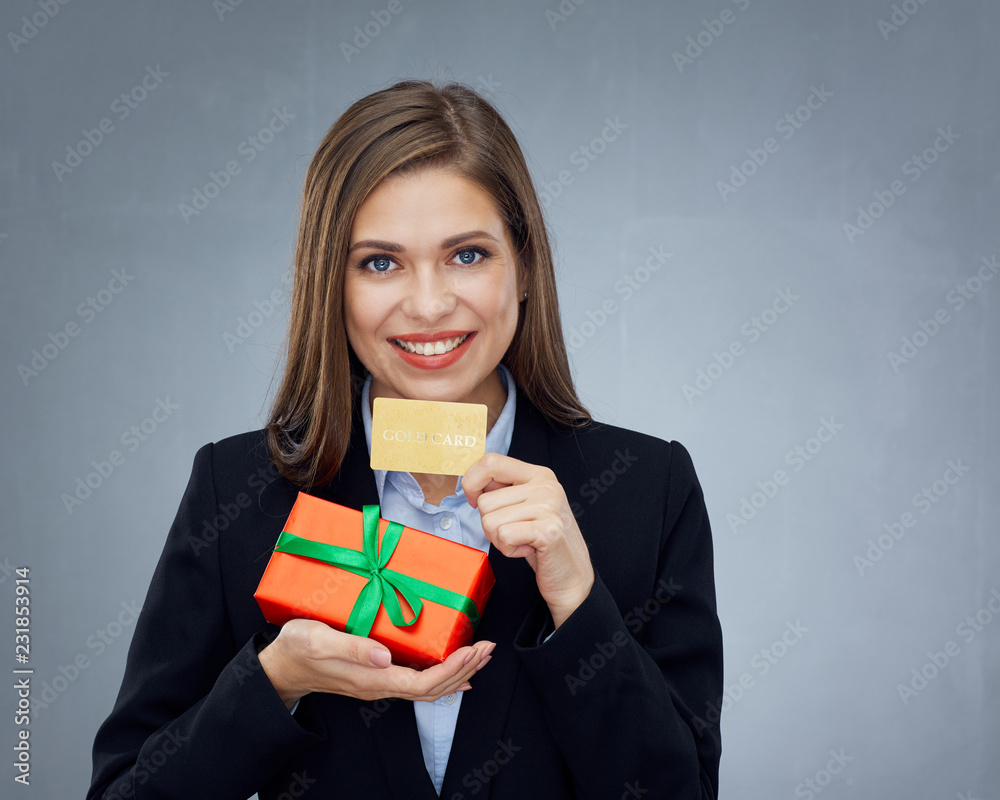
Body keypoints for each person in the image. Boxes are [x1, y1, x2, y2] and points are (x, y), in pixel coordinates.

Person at [87, 79, 724, 800]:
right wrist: (277, 680)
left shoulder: (646, 489)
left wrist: (578, 602)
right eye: (380, 262)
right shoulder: (235, 493)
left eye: (468, 255)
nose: (427, 305)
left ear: (522, 268)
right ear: (334, 284)